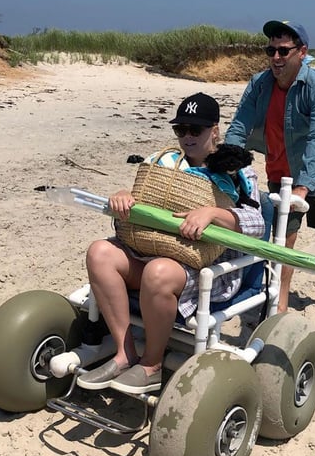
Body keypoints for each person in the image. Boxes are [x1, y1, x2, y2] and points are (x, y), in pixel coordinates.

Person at [77, 92, 265, 393]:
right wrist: (126, 197)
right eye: (181, 130)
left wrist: (214, 213)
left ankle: (151, 365)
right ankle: (126, 354)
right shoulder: (165, 162)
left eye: (196, 130)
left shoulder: (238, 171)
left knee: (159, 272)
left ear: (214, 130)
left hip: (206, 269)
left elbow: (257, 225)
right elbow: (144, 203)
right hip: (150, 251)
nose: (187, 137)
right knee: (99, 252)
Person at [225, 20, 315, 320]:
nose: (276, 58)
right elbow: (240, 125)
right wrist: (227, 166)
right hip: (280, 174)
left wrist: (303, 188)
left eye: (283, 51)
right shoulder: (259, 84)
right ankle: (280, 300)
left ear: (302, 52)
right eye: (271, 51)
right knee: (283, 239)